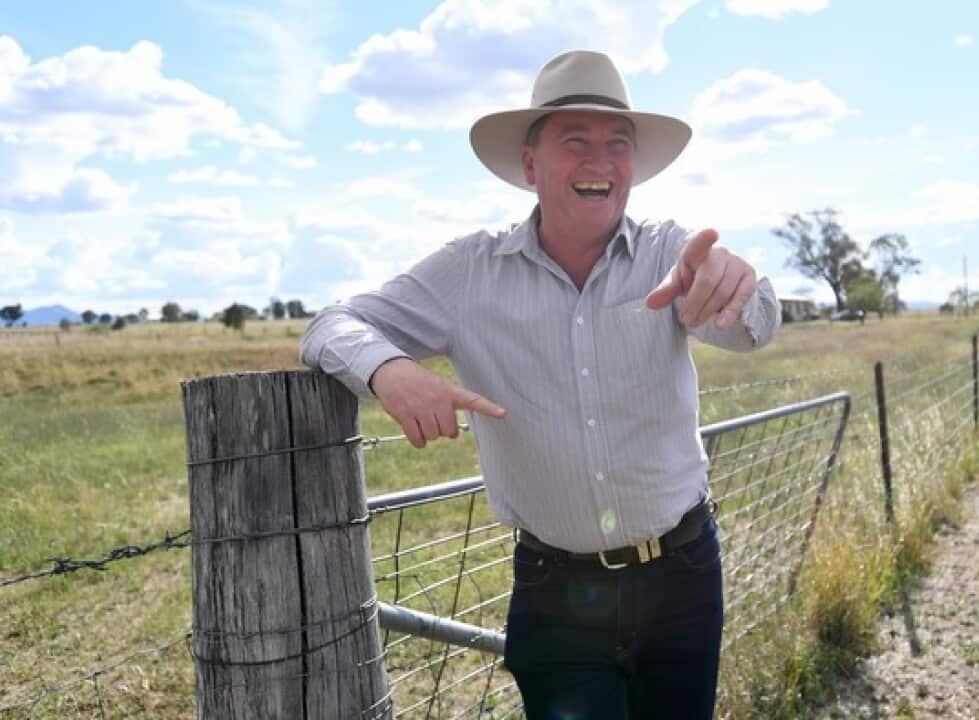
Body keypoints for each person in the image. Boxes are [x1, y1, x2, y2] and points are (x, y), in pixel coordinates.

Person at [300, 49, 780, 719]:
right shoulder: (469, 272)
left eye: (618, 144)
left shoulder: (672, 253)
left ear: (633, 167)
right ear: (531, 166)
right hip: (556, 591)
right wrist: (390, 370)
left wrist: (739, 285)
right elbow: (331, 324)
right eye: (574, 141)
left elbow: (754, 327)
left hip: (682, 573)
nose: (599, 161)